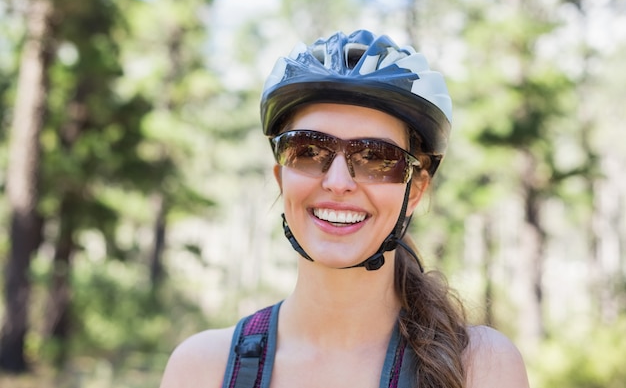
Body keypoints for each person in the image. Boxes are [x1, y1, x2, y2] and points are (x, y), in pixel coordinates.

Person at [159, 29, 530, 388]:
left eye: (376, 157)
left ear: (415, 190)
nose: (338, 182)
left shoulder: (479, 366)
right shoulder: (203, 369)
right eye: (309, 150)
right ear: (281, 178)